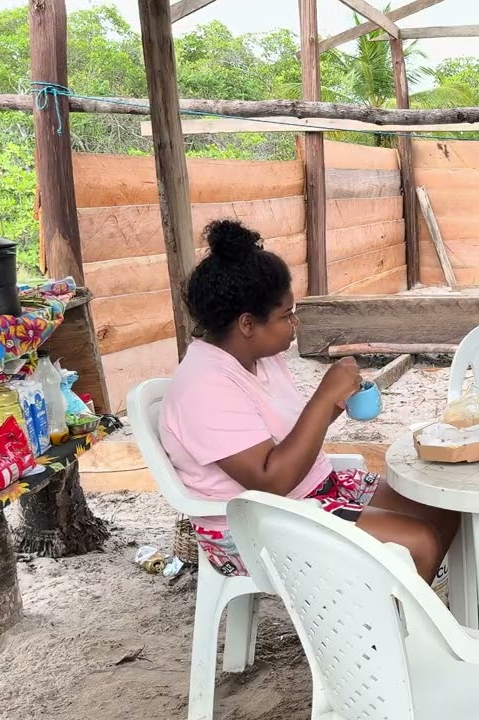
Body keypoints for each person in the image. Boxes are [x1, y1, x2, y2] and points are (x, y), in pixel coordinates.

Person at [159, 220, 460, 584]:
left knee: (445, 508)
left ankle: (403, 617)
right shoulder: (203, 387)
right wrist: (324, 396)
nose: (295, 324)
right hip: (251, 525)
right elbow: (270, 481)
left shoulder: (260, 358)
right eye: (286, 316)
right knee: (419, 542)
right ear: (247, 324)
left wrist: (335, 403)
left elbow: (289, 438)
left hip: (308, 491)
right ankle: (382, 636)